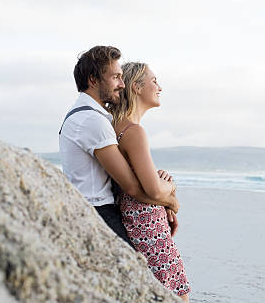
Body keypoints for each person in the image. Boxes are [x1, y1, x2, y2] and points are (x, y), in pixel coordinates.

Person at [59, 46, 179, 246]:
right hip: (98, 213)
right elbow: (132, 186)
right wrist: (172, 201)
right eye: (115, 77)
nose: (122, 84)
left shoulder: (91, 117)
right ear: (93, 80)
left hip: (94, 209)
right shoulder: (92, 120)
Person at [109, 62, 191, 302]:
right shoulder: (133, 131)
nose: (160, 87)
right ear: (136, 87)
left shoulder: (116, 126)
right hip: (147, 225)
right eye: (154, 81)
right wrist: (171, 190)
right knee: (178, 300)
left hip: (136, 222)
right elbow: (153, 189)